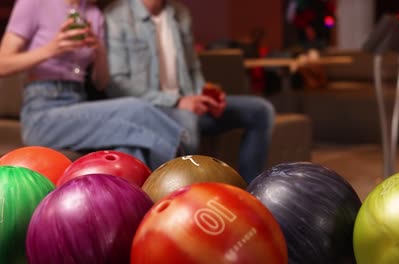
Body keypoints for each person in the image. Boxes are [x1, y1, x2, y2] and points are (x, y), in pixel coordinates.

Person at [0, 0, 186, 170]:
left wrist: (99, 51)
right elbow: (3, 64)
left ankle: (138, 199)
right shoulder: (34, 3)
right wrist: (52, 49)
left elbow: (101, 82)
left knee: (130, 149)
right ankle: (184, 167)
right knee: (137, 109)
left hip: (79, 106)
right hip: (41, 113)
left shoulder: (94, 15)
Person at [104, 0, 275, 183]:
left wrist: (207, 96)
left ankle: (250, 191)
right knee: (187, 124)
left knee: (261, 110)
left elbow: (193, 68)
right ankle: (183, 199)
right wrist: (177, 101)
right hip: (155, 109)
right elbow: (117, 84)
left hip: (189, 103)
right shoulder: (116, 16)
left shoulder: (180, 13)